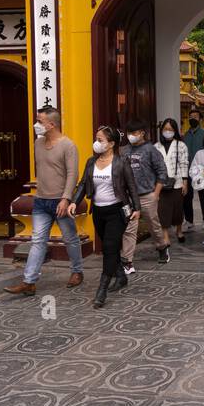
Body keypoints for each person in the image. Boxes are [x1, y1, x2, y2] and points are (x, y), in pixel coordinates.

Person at [4, 106, 83, 296]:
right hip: (40, 201)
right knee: (38, 240)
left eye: (40, 121)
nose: (36, 125)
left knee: (70, 238)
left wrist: (66, 198)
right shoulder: (38, 144)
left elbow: (73, 174)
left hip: (60, 201)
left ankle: (77, 271)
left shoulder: (68, 145)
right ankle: (29, 281)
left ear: (51, 124)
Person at [70, 126, 138, 308]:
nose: (96, 143)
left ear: (111, 144)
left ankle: (102, 289)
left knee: (109, 247)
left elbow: (131, 186)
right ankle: (121, 276)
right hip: (98, 212)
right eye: (96, 139)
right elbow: (83, 184)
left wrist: (136, 208)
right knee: (110, 246)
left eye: (100, 140)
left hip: (117, 211)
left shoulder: (121, 161)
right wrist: (74, 202)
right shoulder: (91, 161)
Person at [121, 119, 170, 263]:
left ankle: (162, 248)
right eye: (129, 132)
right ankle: (127, 259)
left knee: (153, 226)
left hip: (147, 194)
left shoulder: (151, 150)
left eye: (134, 132)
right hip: (129, 197)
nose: (131, 135)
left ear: (142, 133)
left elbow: (162, 172)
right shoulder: (124, 150)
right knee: (129, 228)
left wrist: (156, 194)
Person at [156, 117, 191, 246]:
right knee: (163, 210)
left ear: (175, 131)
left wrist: (185, 182)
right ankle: (165, 235)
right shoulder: (156, 146)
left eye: (170, 129)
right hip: (161, 183)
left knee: (177, 209)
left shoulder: (181, 145)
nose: (168, 131)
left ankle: (179, 230)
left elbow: (184, 164)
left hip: (177, 182)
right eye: (165, 129)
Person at [181, 109, 204, 230]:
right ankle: (189, 221)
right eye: (190, 117)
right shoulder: (185, 135)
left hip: (200, 169)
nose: (192, 119)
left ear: (200, 119)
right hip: (186, 169)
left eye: (195, 117)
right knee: (187, 196)